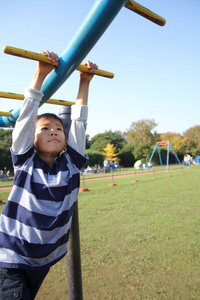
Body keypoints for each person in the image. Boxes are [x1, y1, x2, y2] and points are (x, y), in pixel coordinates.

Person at [0, 50, 98, 299]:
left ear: (66, 142)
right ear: (32, 141)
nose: (54, 131)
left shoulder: (72, 165)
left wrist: (84, 82)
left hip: (42, 262)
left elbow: (79, 122)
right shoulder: (25, 163)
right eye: (45, 129)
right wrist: (40, 74)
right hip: (11, 258)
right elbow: (24, 122)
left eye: (58, 129)